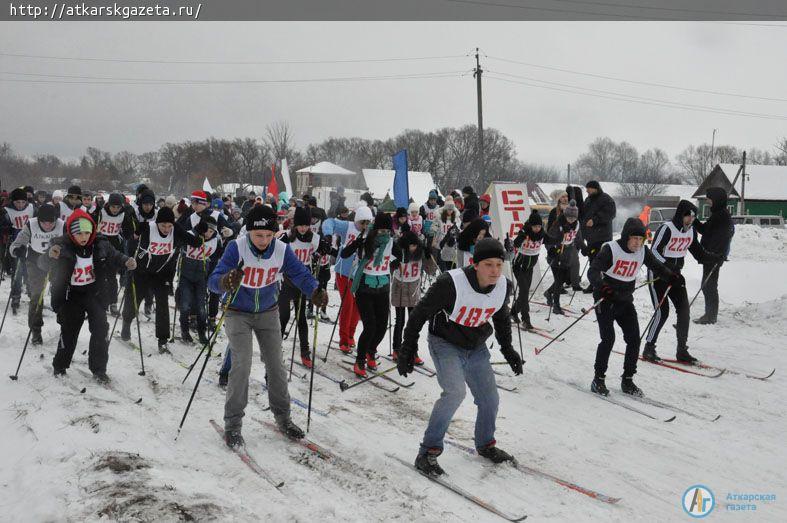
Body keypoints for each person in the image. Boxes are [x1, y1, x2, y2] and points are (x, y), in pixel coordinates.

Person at [397, 238, 523, 476]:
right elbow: (419, 314)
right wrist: (407, 349)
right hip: (445, 342)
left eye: (499, 264)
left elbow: (502, 317)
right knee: (455, 392)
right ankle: (428, 451)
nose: (495, 270)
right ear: (475, 264)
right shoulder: (451, 283)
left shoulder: (503, 286)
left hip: (476, 346)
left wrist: (508, 349)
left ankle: (485, 444)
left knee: (490, 399)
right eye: (489, 265)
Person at [208, 205, 329, 447]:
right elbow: (213, 281)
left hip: (267, 311)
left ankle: (283, 418)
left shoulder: (282, 250)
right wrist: (225, 281)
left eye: (268, 235)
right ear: (249, 232)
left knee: (276, 365)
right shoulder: (237, 247)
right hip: (237, 311)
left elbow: (301, 274)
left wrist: (315, 290)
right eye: (258, 235)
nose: (263, 240)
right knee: (241, 364)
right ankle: (233, 424)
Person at [41, 209, 136, 382]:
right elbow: (42, 264)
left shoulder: (100, 244)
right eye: (79, 233)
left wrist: (126, 261)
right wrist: (49, 256)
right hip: (71, 295)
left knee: (101, 329)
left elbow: (115, 255)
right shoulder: (61, 245)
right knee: (69, 331)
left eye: (87, 232)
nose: (83, 237)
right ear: (71, 233)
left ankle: (99, 369)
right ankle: (60, 365)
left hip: (94, 293)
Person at [587, 218, 675, 397]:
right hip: (606, 299)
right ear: (626, 237)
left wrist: (670, 276)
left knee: (634, 339)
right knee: (608, 339)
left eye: (641, 239)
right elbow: (593, 271)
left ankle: (627, 380)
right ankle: (598, 379)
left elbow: (657, 267)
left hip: (625, 300)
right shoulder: (611, 249)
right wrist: (602, 286)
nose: (638, 242)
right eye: (634, 238)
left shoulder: (642, 251)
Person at [644, 201, 724, 363]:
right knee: (662, 312)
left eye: (694, 217)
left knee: (684, 311)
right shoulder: (666, 229)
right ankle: (649, 348)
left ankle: (682, 351)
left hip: (675, 276)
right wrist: (667, 268)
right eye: (688, 216)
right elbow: (654, 253)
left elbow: (699, 253)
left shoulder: (691, 231)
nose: (691, 220)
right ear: (681, 215)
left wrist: (715, 257)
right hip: (658, 275)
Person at [121, 206, 203, 353]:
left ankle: (163, 340)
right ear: (157, 223)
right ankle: (126, 323)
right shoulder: (148, 228)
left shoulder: (176, 230)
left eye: (169, 225)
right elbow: (132, 242)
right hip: (141, 271)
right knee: (134, 299)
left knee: (163, 304)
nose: (166, 229)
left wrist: (200, 231)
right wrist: (136, 234)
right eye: (163, 225)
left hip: (161, 274)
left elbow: (195, 242)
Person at [341, 212, 394, 377]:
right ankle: (360, 360)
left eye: (387, 231)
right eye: (381, 231)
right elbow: (344, 254)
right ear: (375, 229)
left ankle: (371, 351)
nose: (384, 234)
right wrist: (357, 243)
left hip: (382, 288)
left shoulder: (391, 242)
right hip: (364, 287)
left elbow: (406, 255)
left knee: (382, 326)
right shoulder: (366, 241)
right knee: (370, 326)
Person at [279, 206, 330, 367]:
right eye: (300, 225)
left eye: (306, 225)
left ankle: (305, 352)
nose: (303, 228)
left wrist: (324, 250)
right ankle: (275, 349)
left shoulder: (314, 238)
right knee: (284, 316)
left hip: (303, 280)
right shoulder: (287, 237)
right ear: (294, 224)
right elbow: (275, 251)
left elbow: (326, 251)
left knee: (301, 318)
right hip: (287, 280)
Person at [321, 203, 373, 353]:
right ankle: (343, 339)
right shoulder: (348, 226)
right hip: (343, 271)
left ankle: (350, 335)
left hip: (359, 273)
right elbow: (328, 222)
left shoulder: (369, 232)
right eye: (362, 222)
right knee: (348, 303)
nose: (364, 225)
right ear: (357, 220)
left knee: (358, 305)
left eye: (367, 223)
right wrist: (328, 234)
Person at [9, 203, 63, 344]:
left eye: (51, 222)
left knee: (61, 294)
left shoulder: (62, 225)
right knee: (37, 295)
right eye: (44, 223)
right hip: (35, 262)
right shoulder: (30, 225)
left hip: (56, 262)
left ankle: (66, 327)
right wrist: (17, 251)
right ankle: (35, 330)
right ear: (39, 220)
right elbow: (14, 246)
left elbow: (71, 243)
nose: (48, 226)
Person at [178, 215, 223, 345]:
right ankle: (184, 330)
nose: (208, 234)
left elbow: (218, 255)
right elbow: (179, 243)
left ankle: (202, 332)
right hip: (186, 275)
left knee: (201, 307)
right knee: (185, 305)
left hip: (201, 277)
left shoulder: (215, 240)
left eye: (212, 231)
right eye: (207, 230)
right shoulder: (190, 234)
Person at [692, 187, 734, 325]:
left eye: (709, 198)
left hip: (714, 257)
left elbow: (724, 237)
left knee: (709, 285)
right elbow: (705, 231)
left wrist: (716, 255)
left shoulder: (721, 216)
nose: (707, 201)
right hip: (711, 256)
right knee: (708, 285)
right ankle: (710, 315)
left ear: (716, 199)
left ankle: (710, 316)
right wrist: (694, 221)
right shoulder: (718, 214)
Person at [390, 230, 432, 363]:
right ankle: (397, 349)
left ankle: (413, 351)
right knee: (400, 321)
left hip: (413, 290)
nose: (413, 248)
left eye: (415, 245)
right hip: (400, 288)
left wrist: (428, 254)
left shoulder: (419, 253)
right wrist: (394, 263)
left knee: (413, 323)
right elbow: (389, 267)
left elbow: (430, 270)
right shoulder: (399, 253)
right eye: (410, 246)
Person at [93, 192, 135, 316]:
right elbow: (92, 224)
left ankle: (113, 303)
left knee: (111, 276)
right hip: (100, 243)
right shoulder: (101, 212)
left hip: (114, 245)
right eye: (113, 207)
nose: (115, 209)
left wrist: (130, 222)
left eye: (118, 207)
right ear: (108, 205)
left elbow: (128, 232)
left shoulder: (123, 214)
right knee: (98, 275)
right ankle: (99, 301)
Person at [544, 201, 584, 315]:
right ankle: (556, 306)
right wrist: (551, 250)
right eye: (569, 218)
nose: (571, 220)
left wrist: (586, 250)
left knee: (563, 279)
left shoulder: (576, 225)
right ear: (565, 215)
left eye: (573, 218)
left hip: (567, 253)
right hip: (556, 253)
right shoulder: (558, 224)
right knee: (558, 280)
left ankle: (548, 293)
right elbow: (548, 239)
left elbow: (579, 239)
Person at [512, 209, 545, 329]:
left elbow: (551, 239)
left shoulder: (541, 234)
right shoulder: (525, 232)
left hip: (530, 267)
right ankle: (526, 320)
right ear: (530, 225)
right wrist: (515, 242)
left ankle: (513, 313)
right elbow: (516, 242)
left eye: (539, 226)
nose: (537, 229)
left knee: (524, 292)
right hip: (519, 266)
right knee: (525, 292)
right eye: (535, 226)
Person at [580, 181, 616, 293]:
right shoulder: (588, 200)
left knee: (602, 261)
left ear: (595, 188)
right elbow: (585, 216)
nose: (587, 191)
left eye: (589, 188)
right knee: (592, 261)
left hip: (603, 237)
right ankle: (594, 283)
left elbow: (611, 213)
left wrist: (595, 220)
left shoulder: (606, 199)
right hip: (591, 237)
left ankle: (605, 284)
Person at [5, 188, 35, 314]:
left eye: (23, 202)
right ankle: (15, 298)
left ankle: (33, 296)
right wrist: (8, 232)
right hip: (16, 245)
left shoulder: (32, 208)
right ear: (13, 202)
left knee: (31, 272)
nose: (21, 205)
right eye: (17, 202)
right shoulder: (7, 211)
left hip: (31, 244)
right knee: (17, 273)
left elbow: (38, 222)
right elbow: (4, 227)